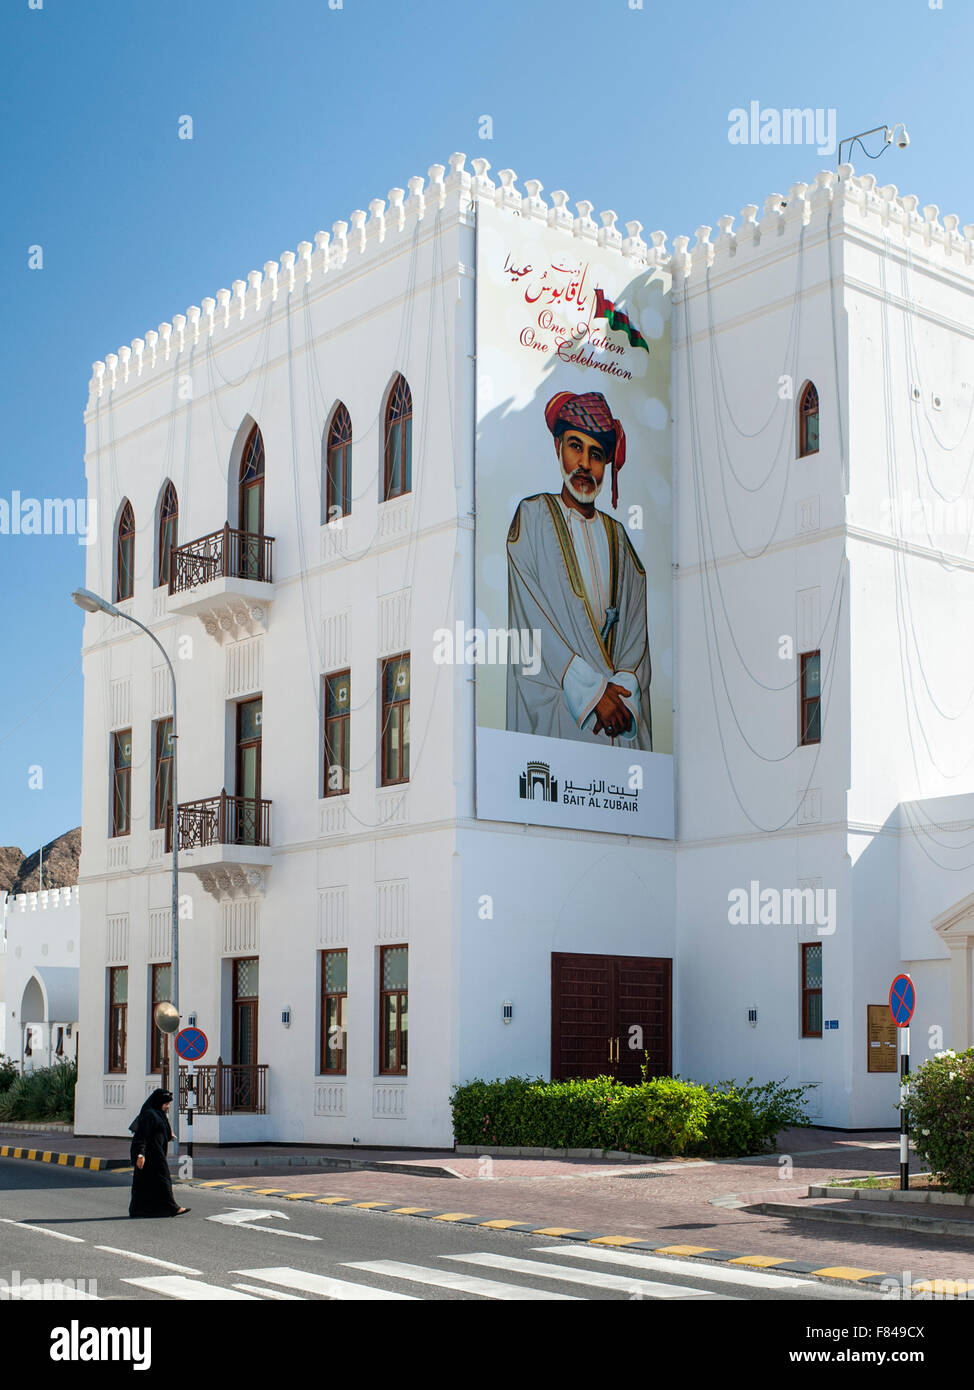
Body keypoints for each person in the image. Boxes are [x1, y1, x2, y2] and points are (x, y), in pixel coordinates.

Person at [506, 390, 653, 748]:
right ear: (558, 448)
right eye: (576, 447)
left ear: (607, 466)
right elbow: (530, 623)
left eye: (597, 455)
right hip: (560, 716)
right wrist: (592, 694)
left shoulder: (619, 538)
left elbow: (636, 633)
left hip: (617, 720)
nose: (585, 464)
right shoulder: (533, 519)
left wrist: (618, 697)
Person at [128, 1088, 190, 1218]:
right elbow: (141, 1135)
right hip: (151, 1155)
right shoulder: (149, 1114)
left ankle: (140, 1210)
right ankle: (173, 1208)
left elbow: (161, 1128)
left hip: (157, 1152)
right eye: (166, 1103)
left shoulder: (158, 1112)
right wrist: (140, 1153)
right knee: (163, 1180)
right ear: (158, 1102)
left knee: (146, 1184)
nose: (167, 1106)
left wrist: (169, 1134)